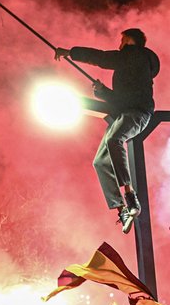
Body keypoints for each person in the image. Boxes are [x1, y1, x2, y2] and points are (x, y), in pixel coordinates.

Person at [54, 27, 160, 231]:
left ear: (130, 41)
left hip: (137, 113)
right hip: (126, 111)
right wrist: (103, 92)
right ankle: (122, 209)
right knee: (100, 162)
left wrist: (70, 52)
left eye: (122, 41)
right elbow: (121, 99)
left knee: (115, 140)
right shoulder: (130, 66)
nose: (119, 46)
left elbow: (101, 58)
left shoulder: (136, 56)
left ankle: (130, 198)